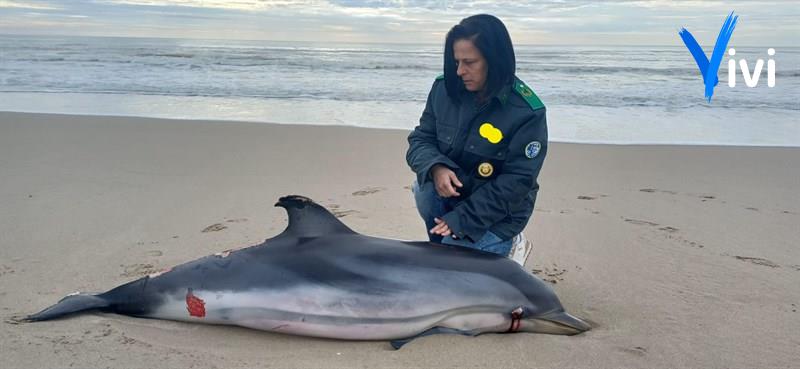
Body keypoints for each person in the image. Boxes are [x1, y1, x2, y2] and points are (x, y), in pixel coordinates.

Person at [406, 14, 547, 266]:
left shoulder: (527, 112)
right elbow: (420, 139)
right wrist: (436, 167)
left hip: (499, 215)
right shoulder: (443, 90)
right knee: (424, 188)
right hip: (455, 197)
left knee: (451, 270)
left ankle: (510, 244)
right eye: (456, 61)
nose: (460, 71)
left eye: (469, 62)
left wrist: (463, 219)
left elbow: (517, 182)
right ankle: (443, 246)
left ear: (495, 60)